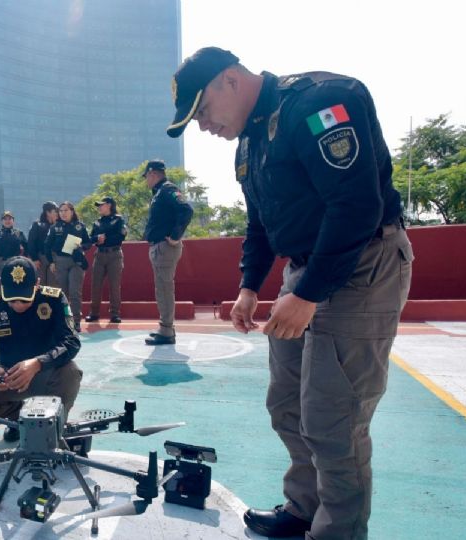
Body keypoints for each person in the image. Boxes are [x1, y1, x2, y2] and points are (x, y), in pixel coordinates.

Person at [167, 46, 413, 540]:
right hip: (304, 272)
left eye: (203, 111)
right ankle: (303, 509)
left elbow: (356, 206)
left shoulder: (319, 103)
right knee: (288, 406)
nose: (203, 126)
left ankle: (336, 532)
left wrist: (308, 295)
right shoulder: (249, 144)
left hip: (361, 263)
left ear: (230, 81)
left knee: (334, 420)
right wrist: (248, 287)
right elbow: (260, 225)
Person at [0, 256, 82, 441]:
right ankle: (17, 420)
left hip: (47, 373)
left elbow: (72, 341)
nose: (18, 305)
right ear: (2, 288)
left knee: (71, 372)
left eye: (25, 299)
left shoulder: (54, 299)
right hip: (11, 378)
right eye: (12, 300)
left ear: (37, 284)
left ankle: (56, 424)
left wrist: (38, 363)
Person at [142, 160, 193, 346]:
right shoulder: (159, 192)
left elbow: (186, 209)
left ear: (152, 174)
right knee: (161, 289)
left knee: (164, 289)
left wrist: (175, 235)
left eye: (146, 177)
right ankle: (165, 328)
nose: (146, 181)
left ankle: (167, 331)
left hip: (165, 247)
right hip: (159, 247)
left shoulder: (167, 190)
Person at [45, 201, 92, 332]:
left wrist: (82, 246)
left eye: (66, 210)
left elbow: (88, 243)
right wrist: (51, 262)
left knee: (75, 292)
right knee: (63, 293)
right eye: (61, 211)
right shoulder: (55, 227)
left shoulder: (80, 226)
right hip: (60, 262)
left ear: (72, 211)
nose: (63, 213)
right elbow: (47, 246)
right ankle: (64, 320)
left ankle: (76, 321)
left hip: (76, 261)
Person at [85, 196, 127, 324]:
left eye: (101, 205)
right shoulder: (97, 222)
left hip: (114, 254)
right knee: (95, 285)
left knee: (114, 286)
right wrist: (97, 237)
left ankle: (115, 314)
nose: (99, 207)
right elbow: (90, 238)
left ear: (109, 205)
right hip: (100, 255)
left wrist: (105, 238)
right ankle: (94, 313)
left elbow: (121, 236)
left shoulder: (119, 220)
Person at [0, 210, 27, 294]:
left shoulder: (19, 233)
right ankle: (0, 306)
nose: (7, 221)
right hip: (1, 263)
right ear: (2, 221)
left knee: (15, 286)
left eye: (9, 219)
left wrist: (23, 258)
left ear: (13, 221)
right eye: (5, 219)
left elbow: (27, 246)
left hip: (15, 264)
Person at [27, 201, 59, 287]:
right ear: (48, 212)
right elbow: (31, 243)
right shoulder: (37, 225)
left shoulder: (58, 226)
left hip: (54, 259)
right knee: (39, 285)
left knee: (53, 286)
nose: (57, 213)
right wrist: (34, 258)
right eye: (55, 211)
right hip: (40, 259)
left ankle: (51, 301)